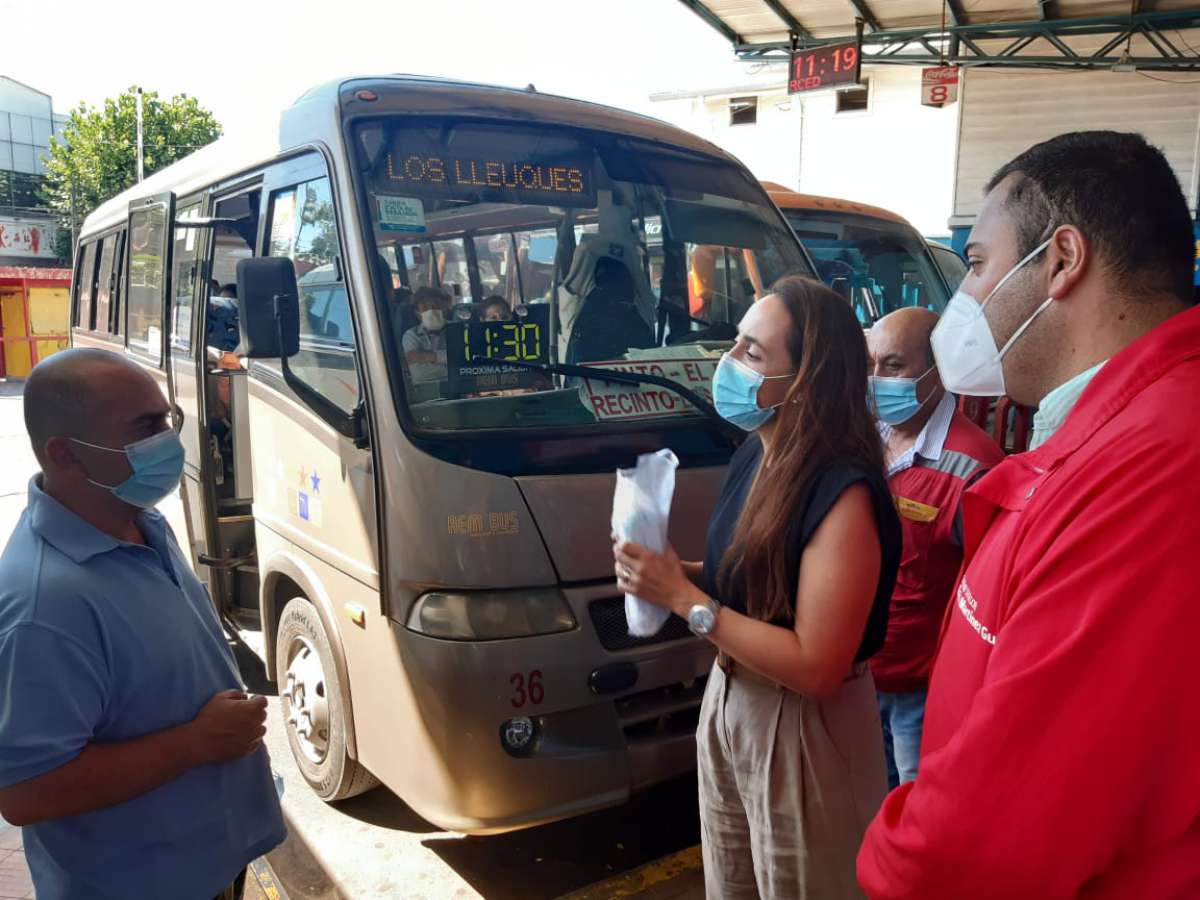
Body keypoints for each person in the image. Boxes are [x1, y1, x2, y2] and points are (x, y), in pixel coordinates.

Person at [857, 131, 1200, 897]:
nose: (964, 301)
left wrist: (887, 865)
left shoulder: (1158, 464)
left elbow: (988, 839)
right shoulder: (1112, 433)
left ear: (1061, 261)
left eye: (976, 264)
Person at [614, 276, 901, 898]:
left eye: (751, 353)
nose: (728, 363)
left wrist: (684, 600)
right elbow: (743, 582)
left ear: (805, 382)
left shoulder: (842, 492)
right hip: (733, 698)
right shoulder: (758, 452)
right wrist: (669, 574)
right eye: (735, 343)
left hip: (802, 726)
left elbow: (818, 664)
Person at [0, 348, 286, 900]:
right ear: (66, 455)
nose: (170, 443)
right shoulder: (43, 607)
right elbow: (27, 792)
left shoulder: (140, 523)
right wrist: (196, 743)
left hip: (208, 861)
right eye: (146, 428)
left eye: (168, 420)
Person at [866, 307, 1004, 788]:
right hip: (860, 675)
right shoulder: (864, 438)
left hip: (922, 692)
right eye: (871, 365)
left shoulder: (975, 468)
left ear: (938, 372)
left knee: (916, 799)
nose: (876, 379)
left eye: (894, 365)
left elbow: (988, 601)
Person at [403, 285, 451, 383]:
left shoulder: (459, 328)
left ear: (445, 308)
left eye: (436, 305)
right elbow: (418, 373)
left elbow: (465, 361)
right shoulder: (411, 335)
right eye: (425, 307)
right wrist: (449, 358)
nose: (431, 310)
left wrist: (427, 356)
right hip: (424, 390)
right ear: (417, 313)